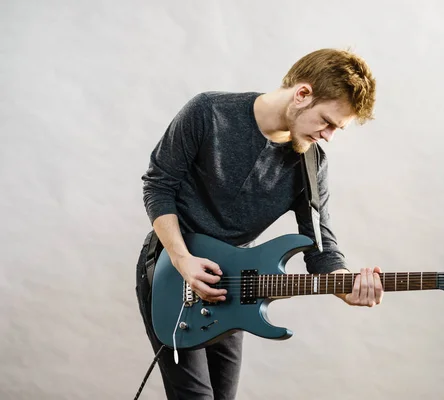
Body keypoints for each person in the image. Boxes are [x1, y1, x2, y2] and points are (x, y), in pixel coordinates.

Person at [135, 48, 384, 400]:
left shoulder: (311, 164)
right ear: (302, 94)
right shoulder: (209, 112)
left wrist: (351, 287)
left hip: (234, 281)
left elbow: (321, 250)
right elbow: (159, 184)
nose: (329, 135)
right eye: (327, 121)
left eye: (337, 129)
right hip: (170, 270)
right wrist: (181, 258)